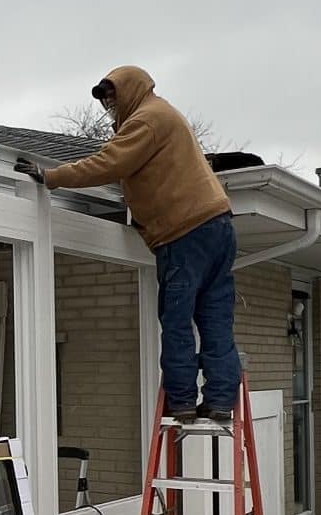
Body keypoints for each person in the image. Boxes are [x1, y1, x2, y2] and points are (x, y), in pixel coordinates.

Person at [16, 66, 241, 421]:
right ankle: (221, 400)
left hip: (185, 232)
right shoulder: (163, 114)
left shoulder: (147, 120)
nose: (110, 107)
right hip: (218, 226)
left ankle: (181, 401)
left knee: (178, 318)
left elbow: (109, 163)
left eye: (112, 99)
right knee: (215, 318)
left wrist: (51, 176)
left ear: (128, 92)